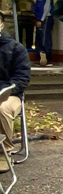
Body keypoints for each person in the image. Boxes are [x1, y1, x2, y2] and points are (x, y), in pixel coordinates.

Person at [0, 11, 30, 171]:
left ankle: (4, 153)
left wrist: (4, 90)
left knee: (2, 108)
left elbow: (21, 79)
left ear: (2, 24)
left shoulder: (16, 49)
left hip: (10, 95)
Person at [32, 0, 54, 67]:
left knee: (44, 37)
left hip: (45, 18)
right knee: (40, 37)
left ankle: (47, 58)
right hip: (41, 18)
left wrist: (40, 19)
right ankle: (41, 57)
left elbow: (45, 7)